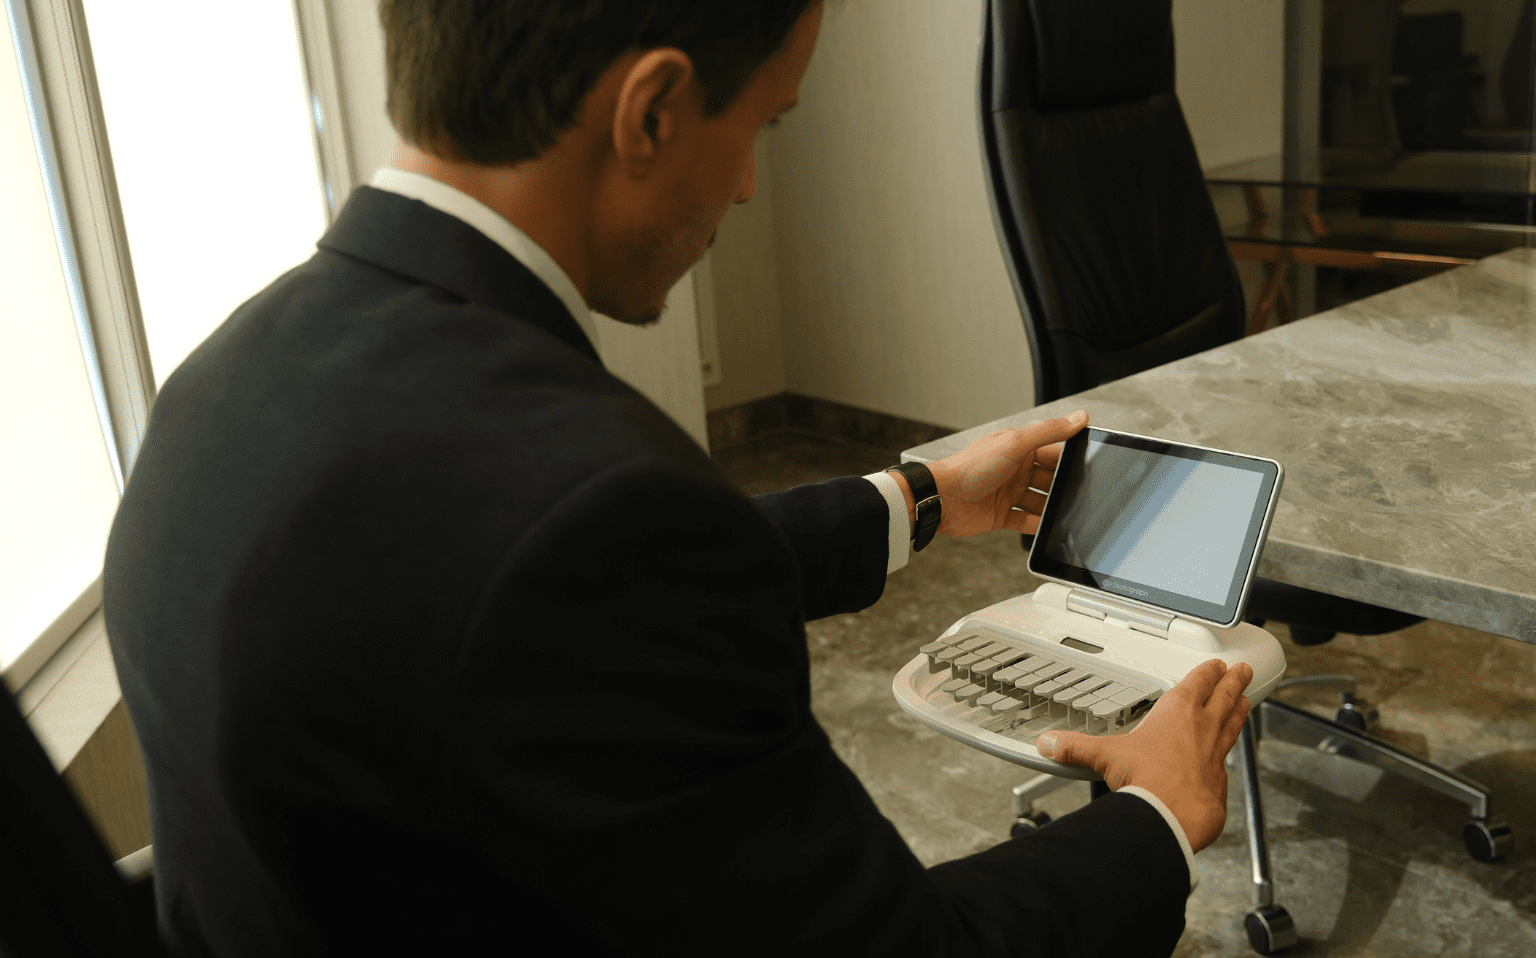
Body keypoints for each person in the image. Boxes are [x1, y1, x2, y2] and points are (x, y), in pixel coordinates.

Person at [102, 2, 1252, 955]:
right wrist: (1154, 811)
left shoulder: (220, 382)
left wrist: (919, 498)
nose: (748, 187)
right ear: (650, 110)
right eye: (765, 122)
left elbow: (525, 590)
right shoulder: (590, 506)